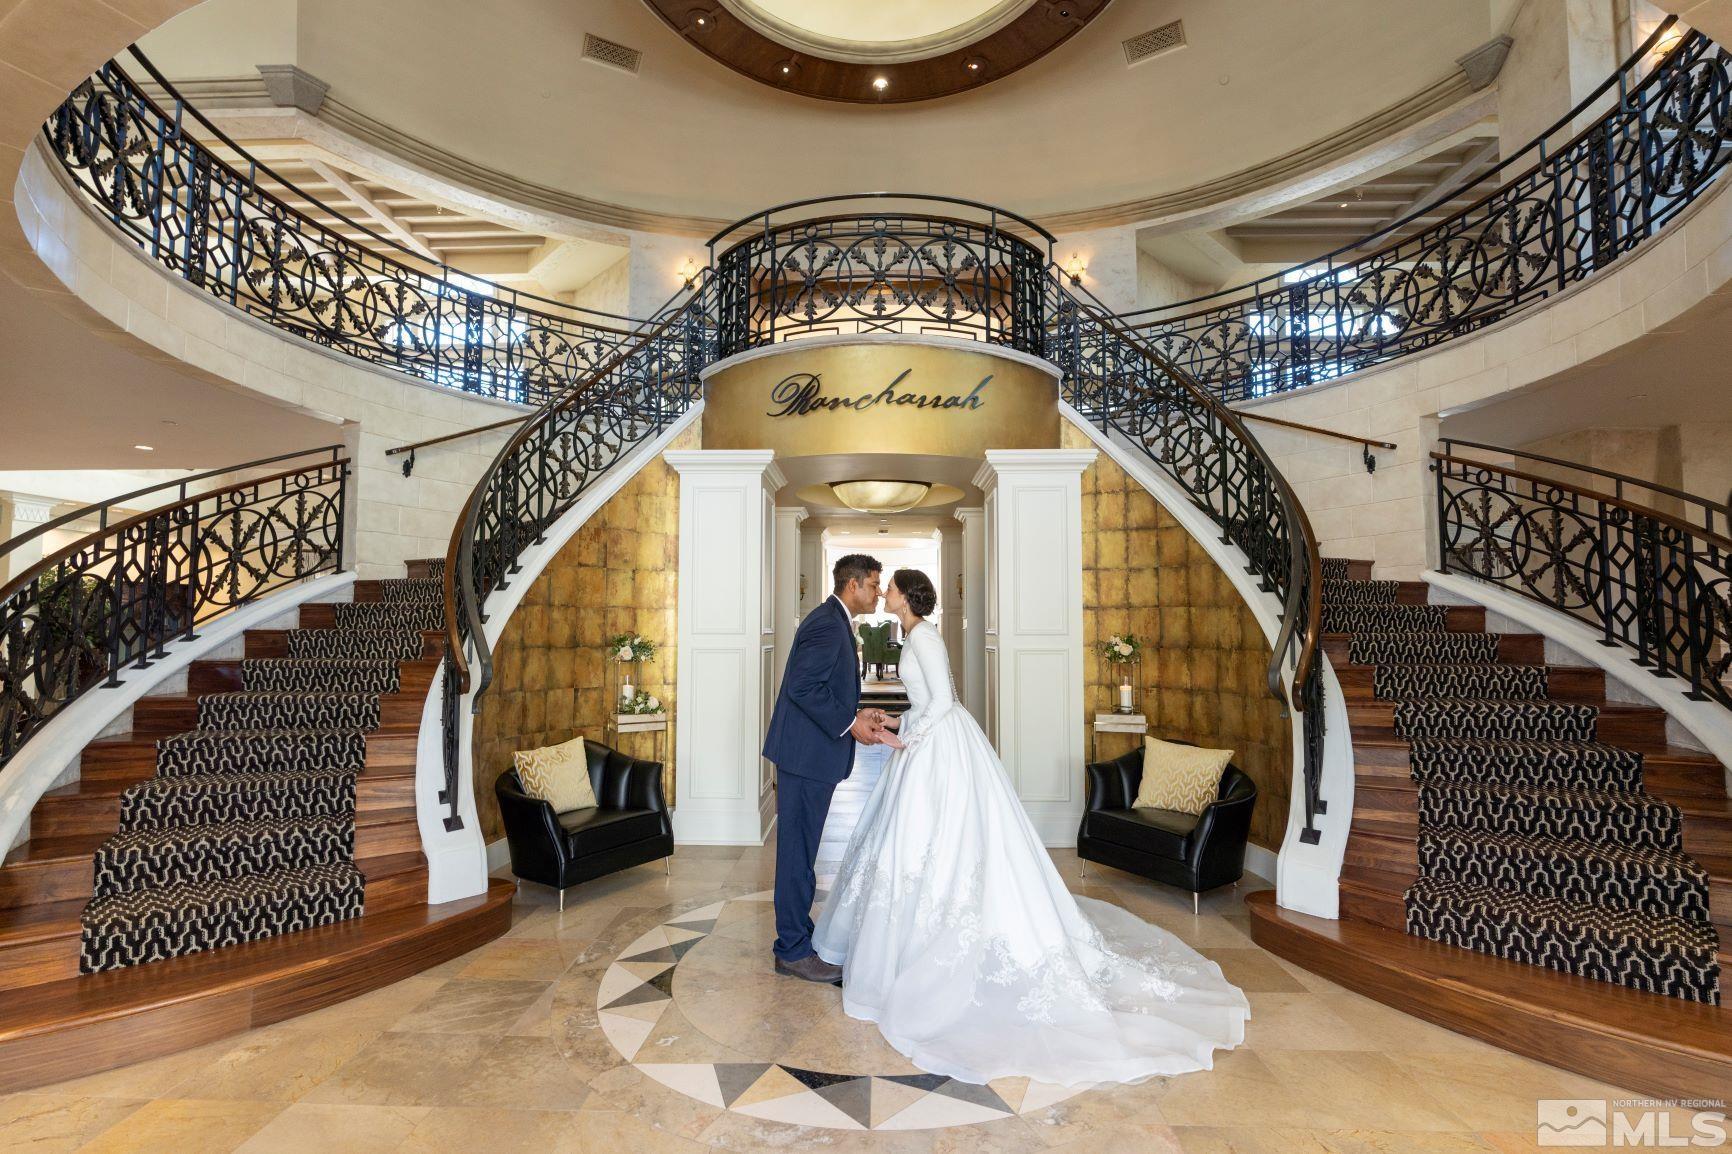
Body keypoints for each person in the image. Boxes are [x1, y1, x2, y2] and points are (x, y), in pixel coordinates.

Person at [810, 567, 1250, 1085]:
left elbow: (945, 705)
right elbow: (926, 702)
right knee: (910, 847)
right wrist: (898, 724)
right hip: (926, 745)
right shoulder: (914, 636)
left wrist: (911, 739)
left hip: (939, 751)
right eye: (880, 585)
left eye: (890, 587)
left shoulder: (924, 637)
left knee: (940, 843)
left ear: (906, 596)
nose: (884, 592)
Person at [761, 553, 897, 984]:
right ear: (853, 585)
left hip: (810, 755)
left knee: (803, 852)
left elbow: (824, 685)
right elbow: (802, 687)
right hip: (805, 756)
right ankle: (792, 950)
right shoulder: (825, 623)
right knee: (797, 854)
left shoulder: (834, 621)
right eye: (874, 585)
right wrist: (850, 723)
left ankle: (799, 935)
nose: (877, 593)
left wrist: (860, 710)